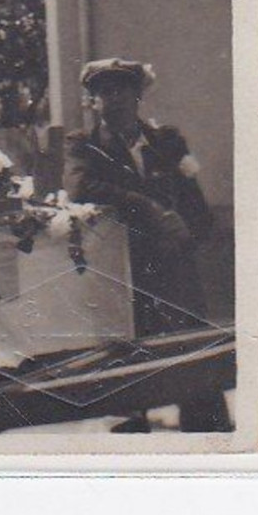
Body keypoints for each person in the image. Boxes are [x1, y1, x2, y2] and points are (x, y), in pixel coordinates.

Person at [63, 58, 231, 433]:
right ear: (92, 102)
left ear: (138, 95)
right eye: (103, 92)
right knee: (130, 348)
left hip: (173, 259)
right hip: (125, 263)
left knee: (191, 343)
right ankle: (131, 424)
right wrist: (148, 207)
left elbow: (192, 197)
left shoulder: (166, 141)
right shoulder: (84, 145)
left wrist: (191, 231)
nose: (114, 98)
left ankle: (207, 429)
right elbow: (80, 188)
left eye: (122, 89)